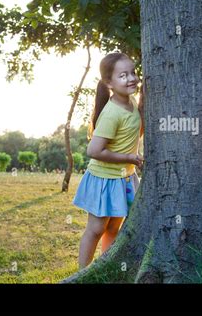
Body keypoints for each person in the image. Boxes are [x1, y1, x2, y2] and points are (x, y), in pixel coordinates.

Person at [73, 52, 144, 269]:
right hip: (105, 179)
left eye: (133, 72)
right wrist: (129, 157)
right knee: (96, 229)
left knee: (114, 228)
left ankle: (106, 267)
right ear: (109, 82)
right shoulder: (112, 112)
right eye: (123, 75)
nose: (131, 78)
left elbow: (134, 132)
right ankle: (83, 274)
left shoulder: (129, 102)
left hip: (124, 178)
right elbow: (94, 150)